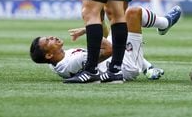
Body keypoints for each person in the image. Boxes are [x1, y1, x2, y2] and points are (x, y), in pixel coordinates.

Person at [30, 5, 182, 82]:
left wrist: (97, 24)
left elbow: (104, 44)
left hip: (113, 60)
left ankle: (148, 67)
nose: (52, 37)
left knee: (111, 14)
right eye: (48, 40)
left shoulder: (56, 60)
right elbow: (109, 50)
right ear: (49, 54)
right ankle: (164, 23)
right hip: (124, 66)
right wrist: (89, 30)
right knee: (133, 13)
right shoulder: (72, 62)